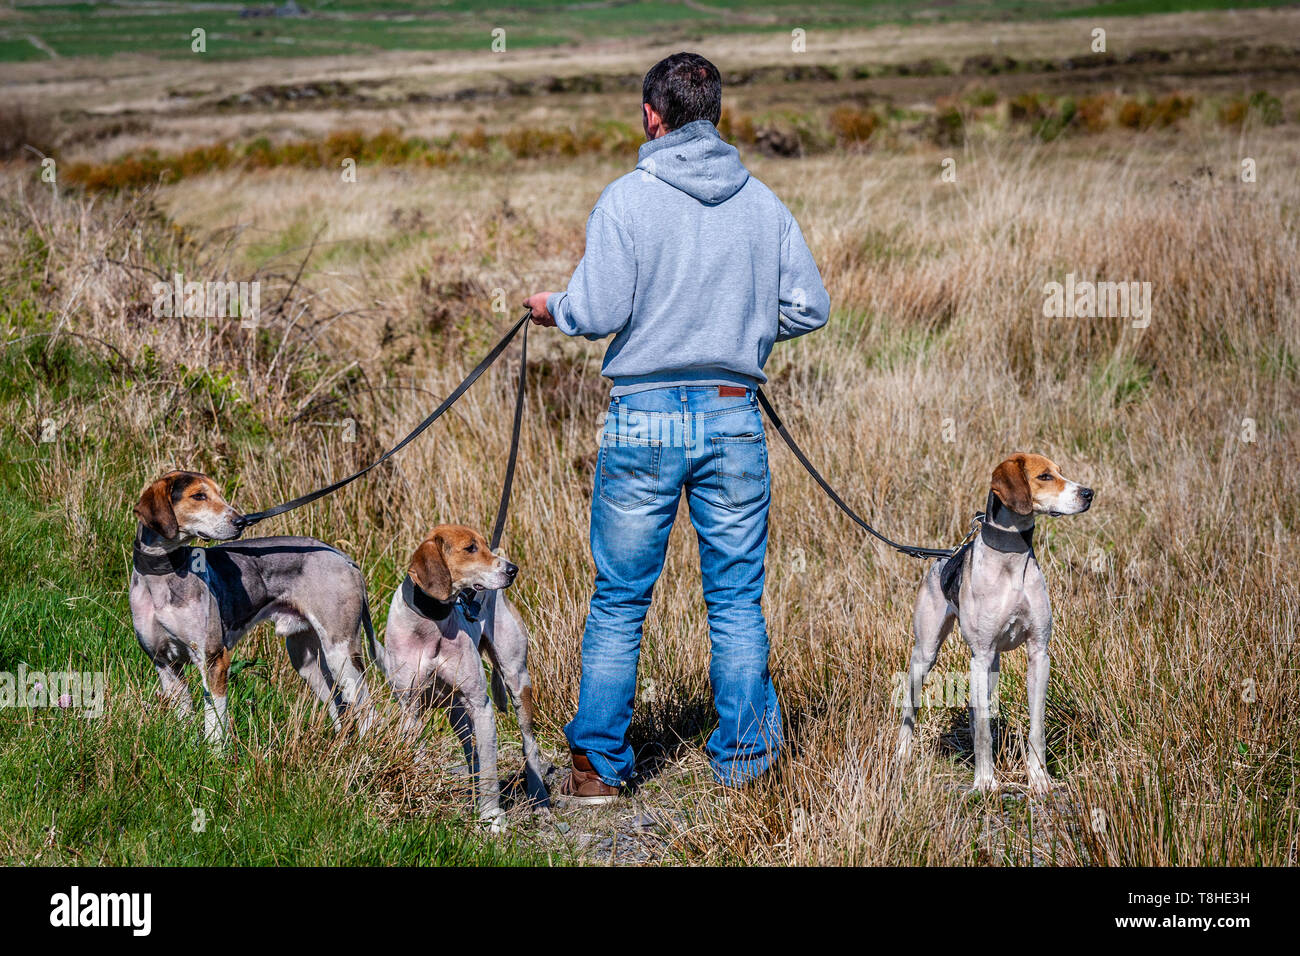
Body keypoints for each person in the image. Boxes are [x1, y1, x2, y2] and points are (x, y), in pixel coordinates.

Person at [524, 51, 829, 804]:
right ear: (715, 114)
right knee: (734, 598)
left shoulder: (625, 200)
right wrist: (742, 331)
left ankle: (597, 769)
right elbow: (810, 307)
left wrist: (551, 307)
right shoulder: (763, 203)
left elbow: (595, 314)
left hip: (643, 419)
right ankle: (746, 766)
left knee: (621, 599)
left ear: (652, 116)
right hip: (732, 413)